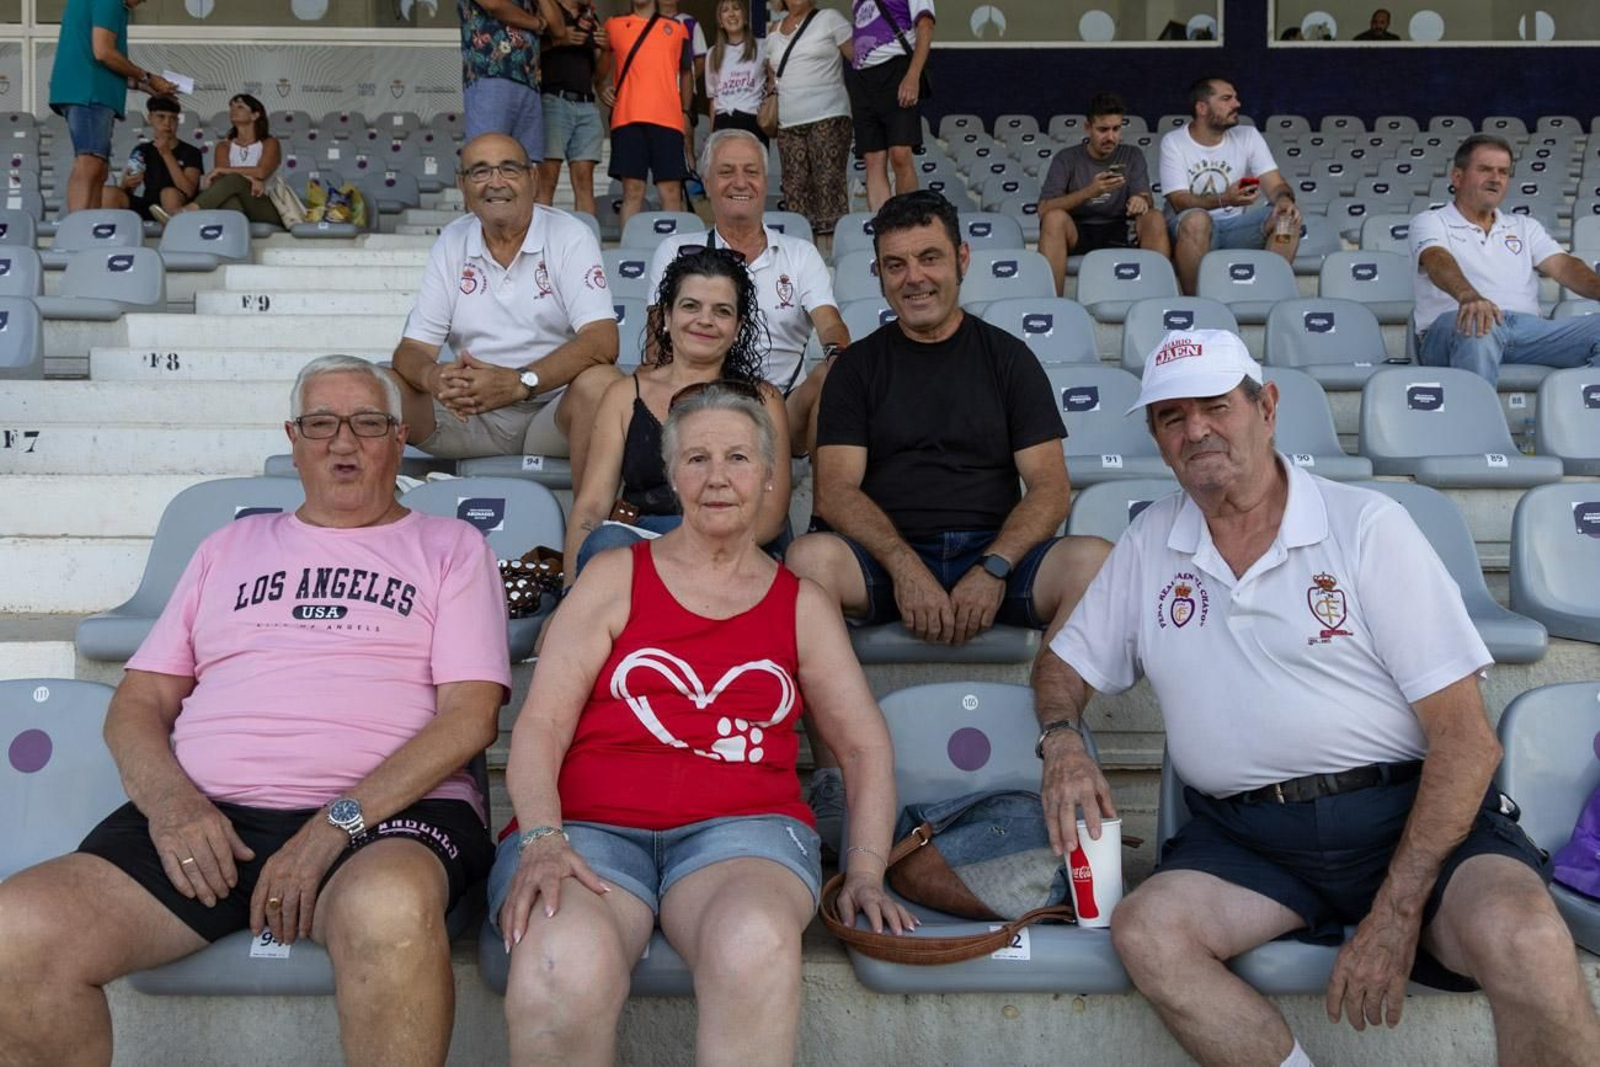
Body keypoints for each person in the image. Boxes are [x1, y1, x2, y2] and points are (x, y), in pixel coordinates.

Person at [1035, 327, 1600, 1067]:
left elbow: (1467, 740)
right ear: (1156, 435)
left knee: (1525, 932)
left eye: (1215, 406)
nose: (1195, 429)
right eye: (1172, 416)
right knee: (1148, 930)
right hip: (1248, 838)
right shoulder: (1148, 543)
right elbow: (1063, 664)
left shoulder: (1365, 525)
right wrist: (1064, 740)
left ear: (1266, 406)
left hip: (1406, 815)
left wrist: (1398, 910)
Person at [0, 355, 512, 1067]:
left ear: (399, 441)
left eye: (367, 424)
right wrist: (173, 805)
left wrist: (333, 825)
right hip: (210, 816)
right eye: (321, 424)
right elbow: (138, 701)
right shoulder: (228, 547)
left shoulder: (451, 548)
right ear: (292, 440)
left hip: (387, 819)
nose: (343, 442)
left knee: (387, 911)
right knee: (15, 928)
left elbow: (470, 719)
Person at [490, 383, 912, 1065]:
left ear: (771, 476)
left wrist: (866, 869)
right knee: (560, 961)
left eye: (739, 457)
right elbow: (538, 727)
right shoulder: (612, 577)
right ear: (671, 473)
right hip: (586, 834)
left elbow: (863, 748)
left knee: (753, 943)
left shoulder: (801, 603)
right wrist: (541, 835)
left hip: (743, 836)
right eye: (697, 458)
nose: (718, 476)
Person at [784, 190, 1112, 845]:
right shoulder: (858, 369)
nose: (915, 277)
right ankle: (835, 781)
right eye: (896, 264)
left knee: (1096, 560)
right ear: (878, 273)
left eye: (930, 257)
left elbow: (1049, 488)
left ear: (962, 259)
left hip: (994, 552)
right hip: (884, 554)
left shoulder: (1007, 358)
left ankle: (1060, 743)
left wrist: (994, 566)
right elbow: (835, 492)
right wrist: (903, 563)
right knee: (807, 563)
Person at [391, 133, 620, 487]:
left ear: (533, 178)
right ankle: (372, 527)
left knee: (604, 384)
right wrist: (435, 378)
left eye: (509, 169)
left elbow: (603, 341)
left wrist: (519, 382)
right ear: (462, 185)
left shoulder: (569, 235)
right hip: (470, 413)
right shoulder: (452, 239)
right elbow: (412, 351)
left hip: (553, 414)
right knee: (368, 388)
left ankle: (587, 530)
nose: (495, 183)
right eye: (480, 172)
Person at [565, 245, 793, 574]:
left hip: (735, 548)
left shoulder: (763, 399)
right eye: (691, 306)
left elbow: (771, 515)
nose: (705, 320)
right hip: (643, 547)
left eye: (722, 311)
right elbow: (591, 507)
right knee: (606, 542)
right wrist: (571, 594)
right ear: (667, 317)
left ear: (739, 327)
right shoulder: (624, 395)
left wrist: (702, 551)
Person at [647, 129, 849, 455]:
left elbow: (830, 324)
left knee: (836, 373)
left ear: (765, 182)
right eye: (726, 172)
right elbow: (657, 347)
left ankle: (825, 499)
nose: (740, 182)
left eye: (751, 172)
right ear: (706, 182)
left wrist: (838, 353)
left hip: (784, 406)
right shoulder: (675, 251)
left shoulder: (800, 253)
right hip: (698, 402)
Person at [1412, 134, 1600, 385]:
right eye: (1485, 170)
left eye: (1503, 172)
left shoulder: (1524, 226)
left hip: (1527, 331)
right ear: (1457, 177)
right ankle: (1475, 422)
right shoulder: (1432, 221)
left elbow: (1565, 266)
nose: (1495, 179)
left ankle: (1582, 419)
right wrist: (1468, 296)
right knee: (1479, 322)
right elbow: (1436, 258)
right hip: (1455, 328)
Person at [1160, 77, 1301, 295]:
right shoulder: (1174, 141)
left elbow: (1276, 185)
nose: (1237, 104)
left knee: (1286, 219)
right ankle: (1198, 304)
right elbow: (1179, 202)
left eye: (1235, 97)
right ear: (1202, 108)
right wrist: (1224, 199)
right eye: (1226, 99)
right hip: (1191, 232)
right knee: (1197, 220)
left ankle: (1265, 299)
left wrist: (1283, 199)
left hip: (1237, 229)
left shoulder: (1248, 135)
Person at [48, 0, 178, 214]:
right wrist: (147, 76)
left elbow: (105, 64)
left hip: (93, 90)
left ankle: (89, 225)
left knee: (99, 168)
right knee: (89, 162)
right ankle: (79, 228)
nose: (141, 3)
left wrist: (148, 87)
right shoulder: (109, 2)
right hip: (89, 92)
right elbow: (104, 52)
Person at [1038, 90, 1169, 297]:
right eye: (1103, 130)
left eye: (1116, 129)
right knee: (1053, 218)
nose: (1111, 136)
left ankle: (1158, 300)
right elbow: (1044, 209)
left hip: (1121, 229)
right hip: (1078, 232)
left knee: (1154, 217)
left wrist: (1140, 200)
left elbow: (1145, 197)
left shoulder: (1132, 154)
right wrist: (1090, 191)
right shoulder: (1067, 158)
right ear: (1088, 128)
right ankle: (1053, 302)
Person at [766, 0, 855, 244]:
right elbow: (772, 74)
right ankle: (802, 253)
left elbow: (858, 59)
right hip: (788, 122)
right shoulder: (773, 30)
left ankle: (831, 254)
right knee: (794, 190)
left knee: (828, 186)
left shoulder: (829, 18)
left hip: (828, 116)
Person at [602, 0, 693, 229]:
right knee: (632, 191)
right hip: (627, 118)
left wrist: (685, 111)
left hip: (668, 120)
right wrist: (601, 87)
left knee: (671, 191)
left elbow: (686, 72)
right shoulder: (613, 25)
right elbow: (600, 66)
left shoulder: (678, 28)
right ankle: (629, 252)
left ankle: (675, 256)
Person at [846, 0, 934, 211]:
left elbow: (926, 26)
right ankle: (882, 227)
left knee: (900, 153)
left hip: (897, 69)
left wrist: (912, 75)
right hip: (863, 77)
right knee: (873, 159)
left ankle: (908, 220)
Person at [457, 0, 566, 165]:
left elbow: (559, 30)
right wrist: (536, 23)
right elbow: (493, 5)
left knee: (525, 166)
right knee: (488, 159)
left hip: (529, 81)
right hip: (491, 75)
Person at [159, 93, 282, 226]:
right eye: (231, 107)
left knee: (231, 179)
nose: (233, 110)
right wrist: (250, 178)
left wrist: (221, 170)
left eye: (240, 107)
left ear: (255, 115)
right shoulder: (223, 146)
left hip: (264, 205)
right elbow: (222, 179)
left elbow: (262, 172)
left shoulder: (270, 142)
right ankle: (234, 230)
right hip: (237, 207)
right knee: (222, 183)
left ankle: (184, 214)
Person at [536, 0, 607, 217]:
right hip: (553, 99)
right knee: (548, 178)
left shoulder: (591, 17)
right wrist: (560, 40)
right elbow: (528, 47)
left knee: (585, 180)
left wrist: (606, 50)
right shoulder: (547, 9)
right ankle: (539, 243)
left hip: (586, 103)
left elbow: (600, 77)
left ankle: (588, 242)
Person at [100, 94, 202, 221]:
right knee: (109, 193)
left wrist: (166, 154)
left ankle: (174, 234)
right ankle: (110, 238)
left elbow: (188, 191)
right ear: (150, 118)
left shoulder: (191, 152)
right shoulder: (142, 150)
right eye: (161, 117)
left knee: (169, 193)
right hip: (150, 205)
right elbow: (127, 189)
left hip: (179, 206)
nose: (167, 123)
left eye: (173, 119)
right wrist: (126, 183)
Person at [705, 0, 768, 145]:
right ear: (720, 21)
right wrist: (712, 136)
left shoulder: (762, 47)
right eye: (725, 10)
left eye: (736, 8)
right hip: (723, 121)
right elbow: (713, 99)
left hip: (752, 119)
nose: (732, 14)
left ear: (745, 17)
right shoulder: (713, 54)